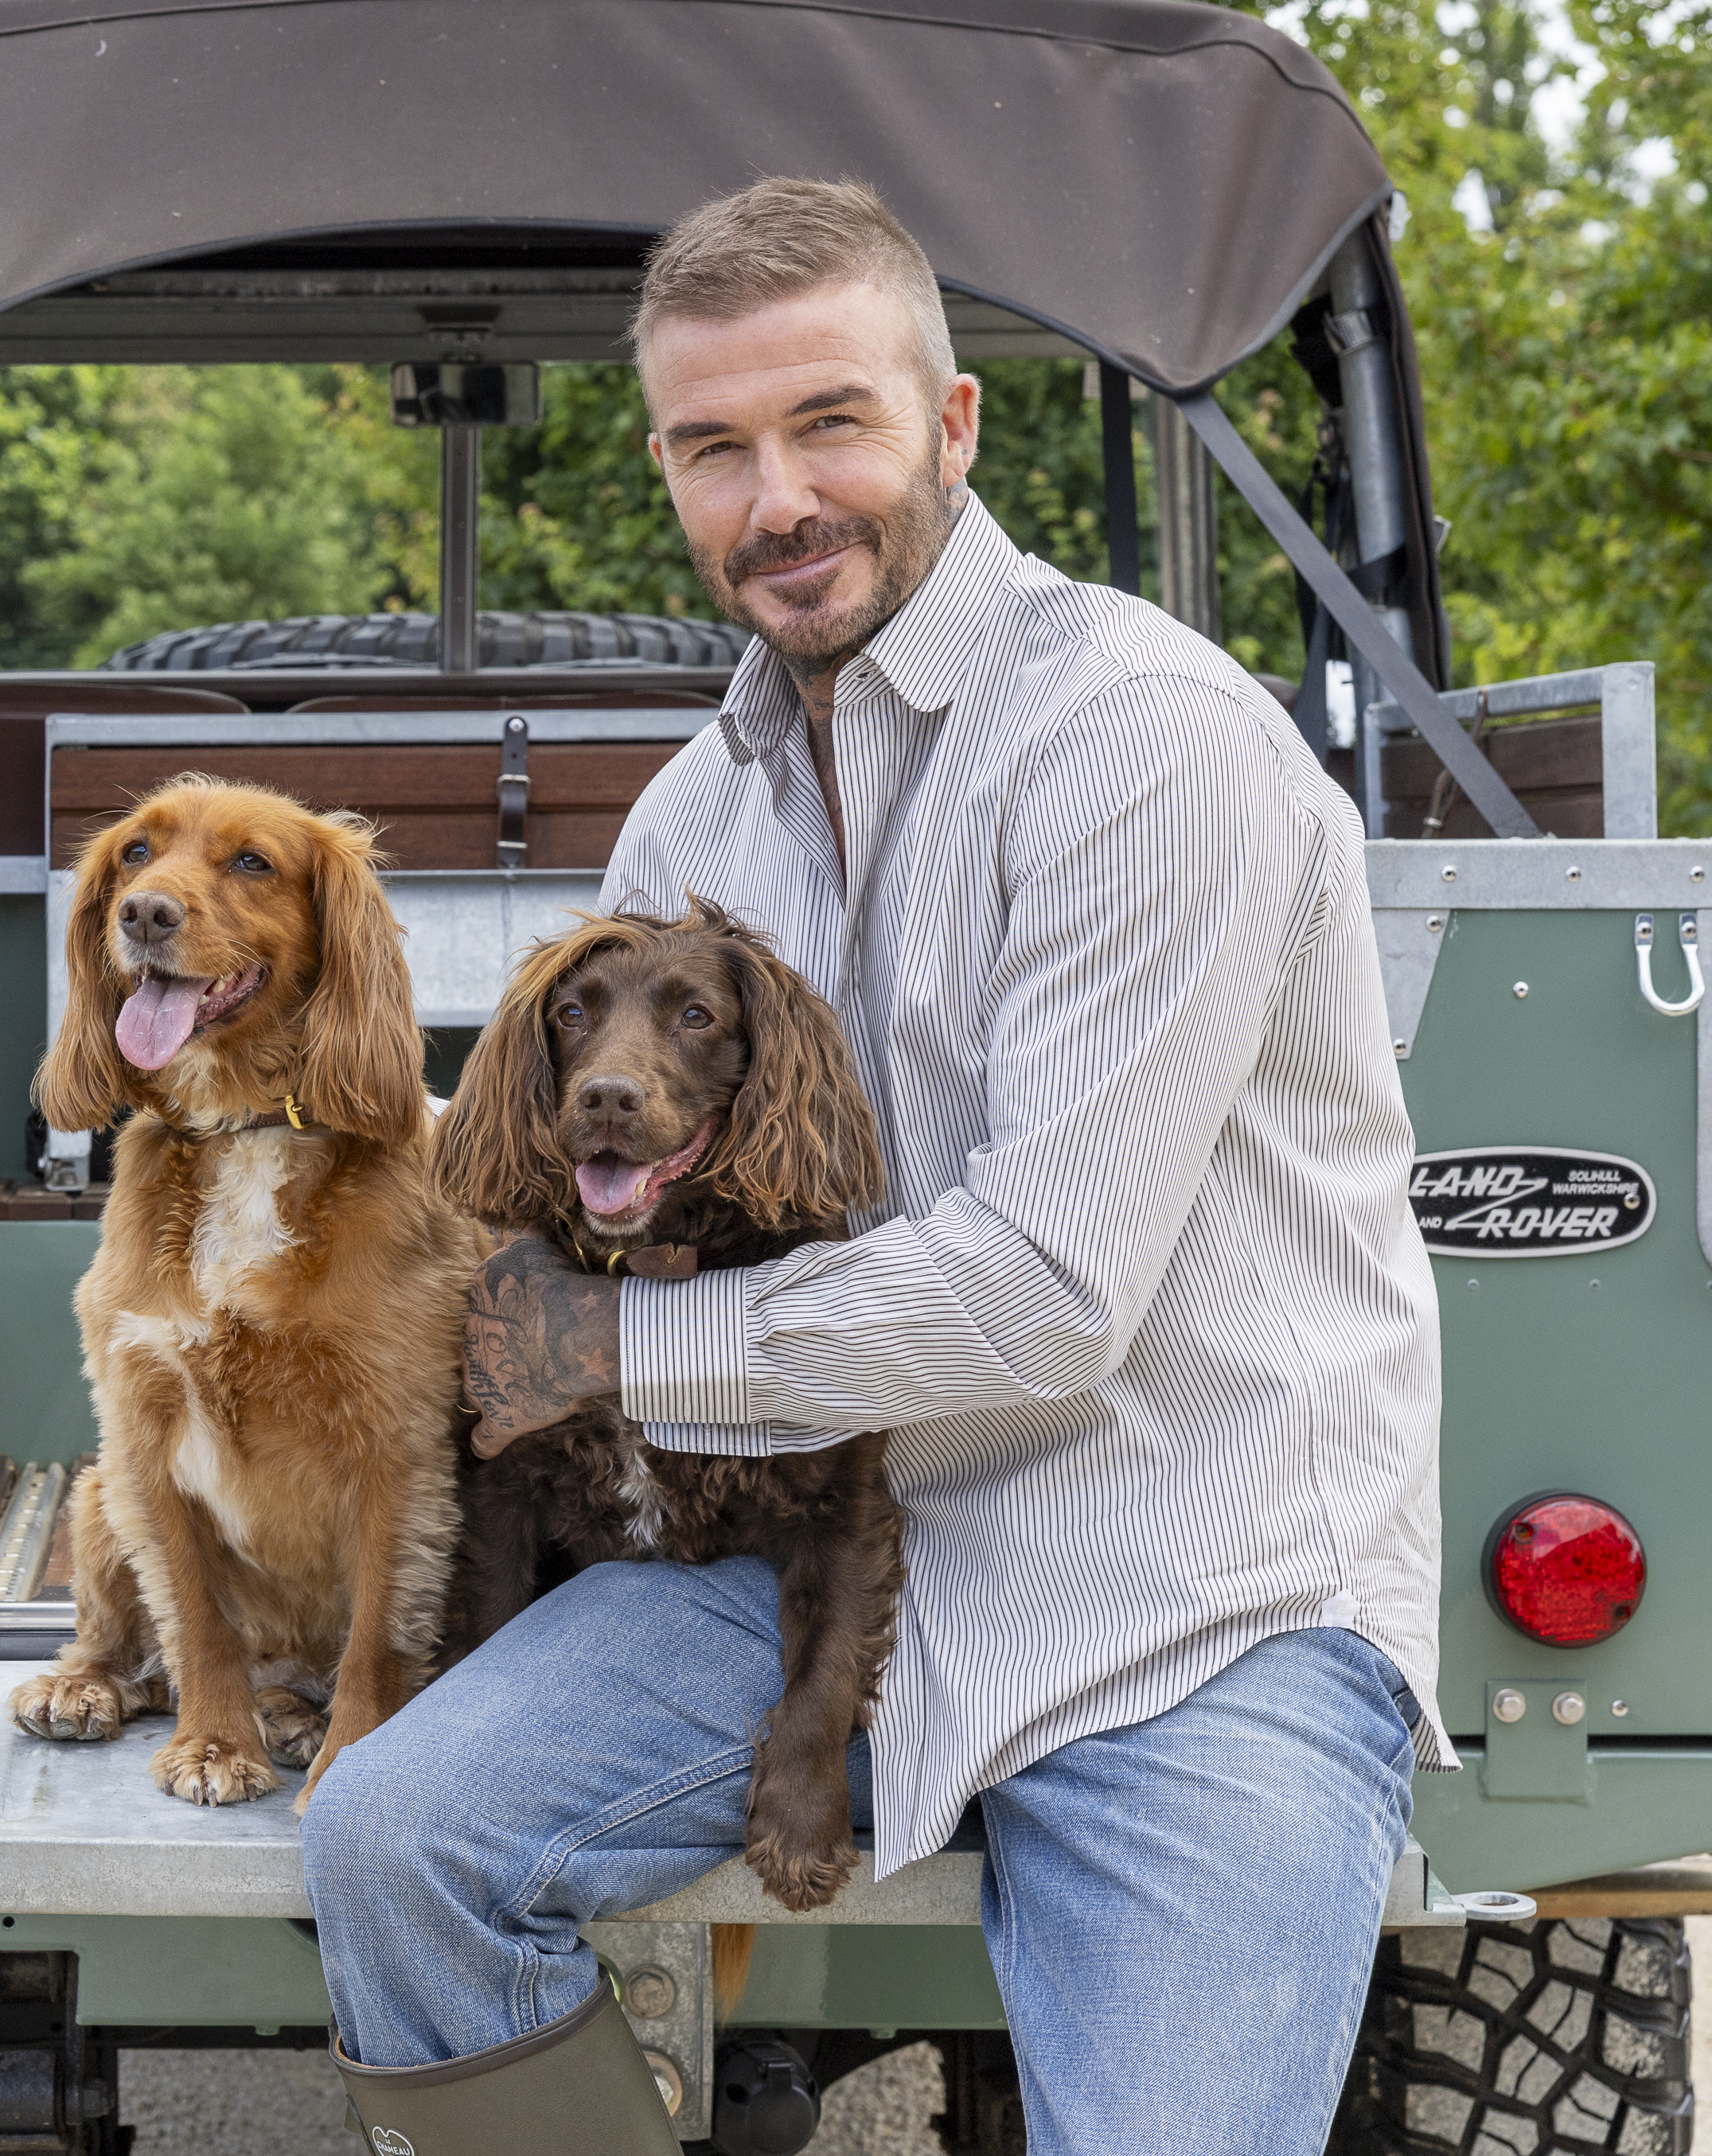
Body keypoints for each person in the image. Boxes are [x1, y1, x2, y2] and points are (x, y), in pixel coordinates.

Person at [300, 177, 1445, 2155]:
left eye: (831, 422)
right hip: (808, 1554)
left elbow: (1044, 1301)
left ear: (954, 424)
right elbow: (598, 1184)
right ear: (666, 468)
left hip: (1183, 1580)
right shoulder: (697, 810)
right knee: (396, 1839)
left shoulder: (1147, 741)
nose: (779, 499)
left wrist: (596, 1354)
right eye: (714, 448)